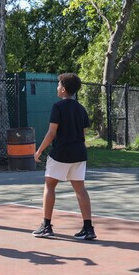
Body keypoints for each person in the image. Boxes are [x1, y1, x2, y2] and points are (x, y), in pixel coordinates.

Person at [32, 73, 96, 240]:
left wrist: (39, 151)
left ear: (64, 89)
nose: (57, 87)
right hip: (79, 154)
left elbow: (52, 133)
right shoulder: (81, 109)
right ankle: (88, 228)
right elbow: (83, 134)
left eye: (59, 84)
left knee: (50, 186)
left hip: (61, 153)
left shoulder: (58, 107)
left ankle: (46, 226)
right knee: (81, 190)